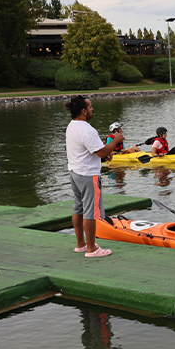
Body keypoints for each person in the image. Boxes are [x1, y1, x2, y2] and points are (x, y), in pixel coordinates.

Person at [65, 95, 124, 258]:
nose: (92, 109)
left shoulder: (72, 126)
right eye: (90, 107)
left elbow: (90, 152)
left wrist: (104, 156)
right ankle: (91, 249)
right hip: (88, 176)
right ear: (83, 111)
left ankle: (81, 244)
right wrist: (116, 140)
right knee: (90, 212)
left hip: (75, 173)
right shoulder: (87, 129)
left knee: (78, 208)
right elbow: (101, 151)